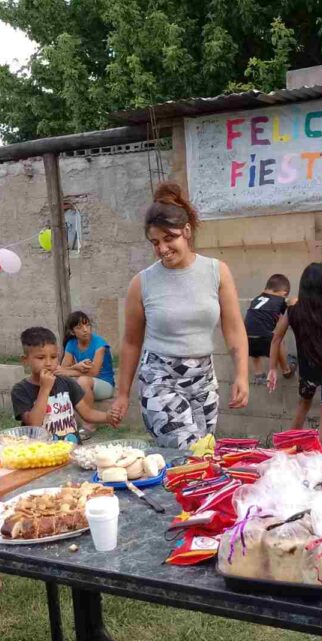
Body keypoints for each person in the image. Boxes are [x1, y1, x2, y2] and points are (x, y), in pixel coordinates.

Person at [111, 182, 249, 449]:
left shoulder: (216, 272)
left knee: (203, 453)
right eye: (155, 242)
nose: (162, 249)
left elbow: (234, 330)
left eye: (169, 238)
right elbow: (130, 342)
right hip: (159, 379)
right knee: (187, 452)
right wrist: (122, 394)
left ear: (186, 231)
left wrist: (242, 375)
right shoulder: (142, 283)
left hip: (203, 380)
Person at [267, 264, 322, 448]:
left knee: (302, 407)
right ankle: (316, 454)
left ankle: (287, 449)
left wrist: (272, 368)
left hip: (307, 372)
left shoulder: (293, 311)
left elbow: (276, 338)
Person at [12, 327, 118, 443]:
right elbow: (34, 423)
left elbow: (87, 413)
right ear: (25, 360)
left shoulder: (66, 383)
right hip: (42, 455)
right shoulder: (20, 390)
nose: (48, 363)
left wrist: (107, 417)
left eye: (53, 357)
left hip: (71, 450)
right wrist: (45, 389)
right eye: (41, 358)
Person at [57, 311, 115, 433]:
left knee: (82, 380)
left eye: (87, 325)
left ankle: (89, 425)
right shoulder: (71, 344)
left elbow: (93, 372)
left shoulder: (100, 344)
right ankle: (61, 421)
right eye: (79, 327)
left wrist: (72, 371)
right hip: (85, 383)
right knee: (61, 380)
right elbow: (61, 369)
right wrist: (77, 366)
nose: (85, 330)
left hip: (105, 385)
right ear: (72, 332)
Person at [245, 274, 295, 384]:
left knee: (253, 341)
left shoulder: (257, 299)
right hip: (265, 338)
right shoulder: (280, 301)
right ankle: (286, 369)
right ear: (284, 293)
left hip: (246, 338)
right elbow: (282, 322)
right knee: (278, 339)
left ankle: (258, 373)